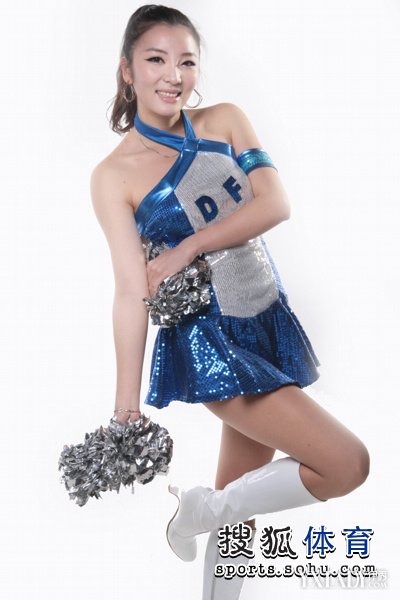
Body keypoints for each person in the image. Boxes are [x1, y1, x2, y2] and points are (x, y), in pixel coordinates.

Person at [90, 4, 370, 598]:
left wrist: (187, 247)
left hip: (266, 318)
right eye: (156, 60)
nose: (173, 76)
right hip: (213, 344)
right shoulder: (114, 176)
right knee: (347, 464)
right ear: (127, 69)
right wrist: (124, 404)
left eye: (186, 62)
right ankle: (199, 509)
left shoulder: (225, 120)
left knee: (240, 512)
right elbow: (130, 291)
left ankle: (210, 519)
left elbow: (275, 203)